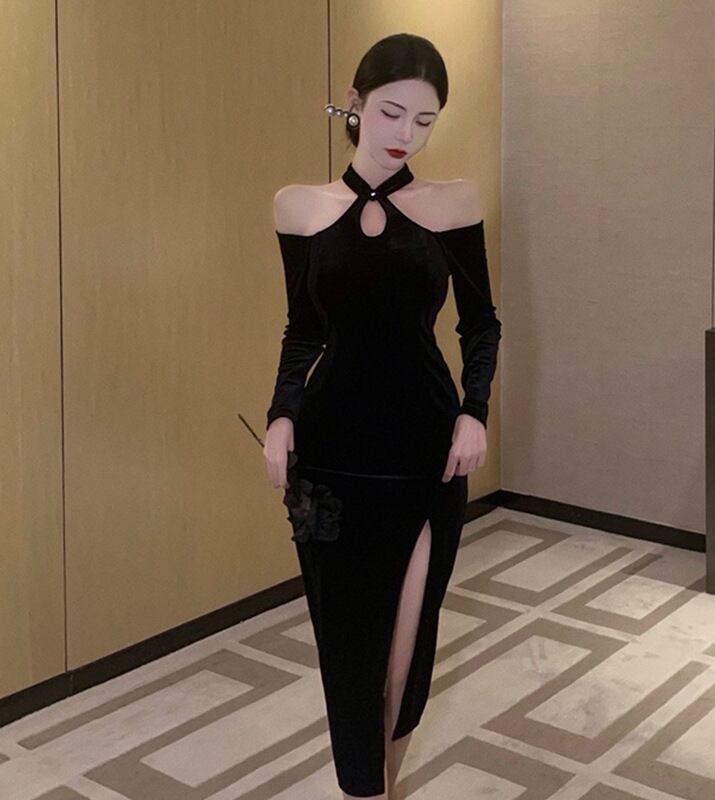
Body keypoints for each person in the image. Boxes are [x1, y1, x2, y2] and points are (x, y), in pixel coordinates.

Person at [263, 32, 501, 800]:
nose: (406, 134)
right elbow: (303, 330)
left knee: (407, 641)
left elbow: (480, 324)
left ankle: (379, 785)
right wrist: (281, 416)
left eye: (425, 121)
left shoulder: (453, 203)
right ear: (355, 103)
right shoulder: (299, 208)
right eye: (392, 112)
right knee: (347, 646)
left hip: (426, 449)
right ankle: (367, 790)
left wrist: (474, 412)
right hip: (328, 458)